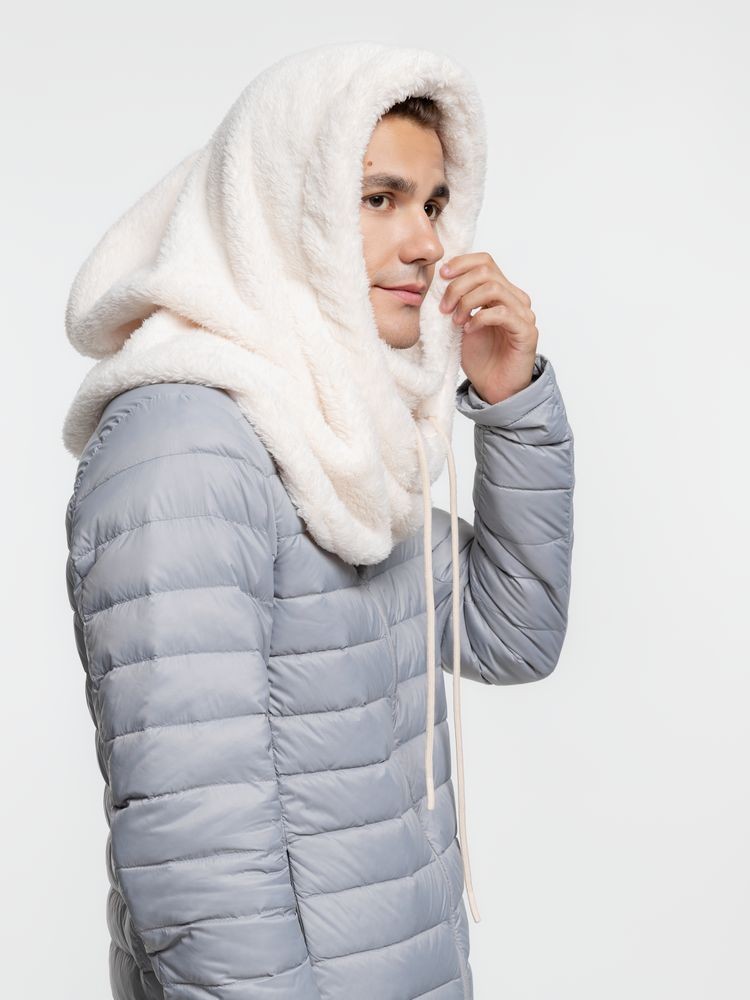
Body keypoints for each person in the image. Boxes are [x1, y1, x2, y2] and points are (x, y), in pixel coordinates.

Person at [63, 41, 575, 1000]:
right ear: (280, 206)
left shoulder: (339, 440)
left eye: (433, 205)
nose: (425, 244)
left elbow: (513, 635)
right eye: (379, 198)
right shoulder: (183, 445)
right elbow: (198, 868)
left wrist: (512, 405)